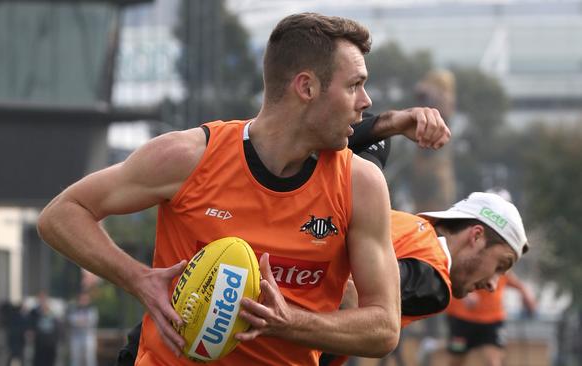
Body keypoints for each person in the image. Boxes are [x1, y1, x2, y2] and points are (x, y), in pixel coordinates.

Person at [38, 12, 416, 365]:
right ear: (307, 87)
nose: (365, 103)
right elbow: (61, 215)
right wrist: (138, 279)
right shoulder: (189, 156)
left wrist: (289, 323)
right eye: (354, 86)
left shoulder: (360, 184)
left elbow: (384, 328)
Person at [322, 190, 530, 366]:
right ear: (476, 236)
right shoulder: (433, 280)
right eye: (500, 266)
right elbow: (349, 296)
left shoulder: (406, 225)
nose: (493, 285)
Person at [446, 271, 537, 366]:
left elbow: (515, 282)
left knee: (494, 360)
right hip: (463, 319)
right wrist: (464, 294)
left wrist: (525, 293)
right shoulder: (470, 261)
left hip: (493, 320)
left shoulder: (501, 266)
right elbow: (452, 276)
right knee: (457, 359)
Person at [28, 291, 62, 366]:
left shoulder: (53, 311)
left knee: (50, 361)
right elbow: (30, 325)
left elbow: (58, 325)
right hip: (39, 341)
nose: (42, 301)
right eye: (40, 299)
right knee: (38, 361)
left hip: (51, 342)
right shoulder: (34, 312)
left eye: (44, 299)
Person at [67, 292, 99, 366]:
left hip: (89, 336)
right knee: (76, 358)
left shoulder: (92, 309)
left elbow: (92, 321)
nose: (83, 301)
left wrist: (80, 321)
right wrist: (82, 321)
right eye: (82, 299)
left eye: (85, 299)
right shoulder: (73, 309)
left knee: (90, 358)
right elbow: (72, 321)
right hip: (76, 336)